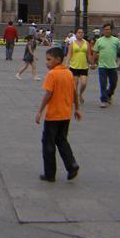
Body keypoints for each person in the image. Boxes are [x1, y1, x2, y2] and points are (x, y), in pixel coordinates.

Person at [35, 46, 81, 182]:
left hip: (53, 115)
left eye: (49, 60)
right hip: (66, 115)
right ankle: (72, 165)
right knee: (62, 140)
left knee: (48, 144)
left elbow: (48, 94)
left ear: (58, 59)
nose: (47, 62)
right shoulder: (68, 73)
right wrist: (77, 109)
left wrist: (39, 111)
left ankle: (50, 174)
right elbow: (74, 93)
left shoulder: (52, 74)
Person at [91, 22, 120, 108]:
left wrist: (119, 60)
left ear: (111, 30)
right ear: (103, 31)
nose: (107, 31)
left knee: (113, 83)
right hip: (102, 66)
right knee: (103, 83)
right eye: (105, 30)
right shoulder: (99, 41)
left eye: (108, 29)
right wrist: (92, 63)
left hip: (113, 66)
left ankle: (109, 94)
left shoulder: (116, 40)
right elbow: (95, 53)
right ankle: (103, 100)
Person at [65, 26, 89, 104]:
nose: (80, 34)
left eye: (82, 32)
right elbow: (69, 54)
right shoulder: (72, 43)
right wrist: (67, 64)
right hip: (74, 66)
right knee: (75, 84)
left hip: (83, 66)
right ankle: (74, 97)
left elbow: (88, 55)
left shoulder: (86, 43)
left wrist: (92, 63)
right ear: (76, 34)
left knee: (84, 83)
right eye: (79, 32)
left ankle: (80, 94)